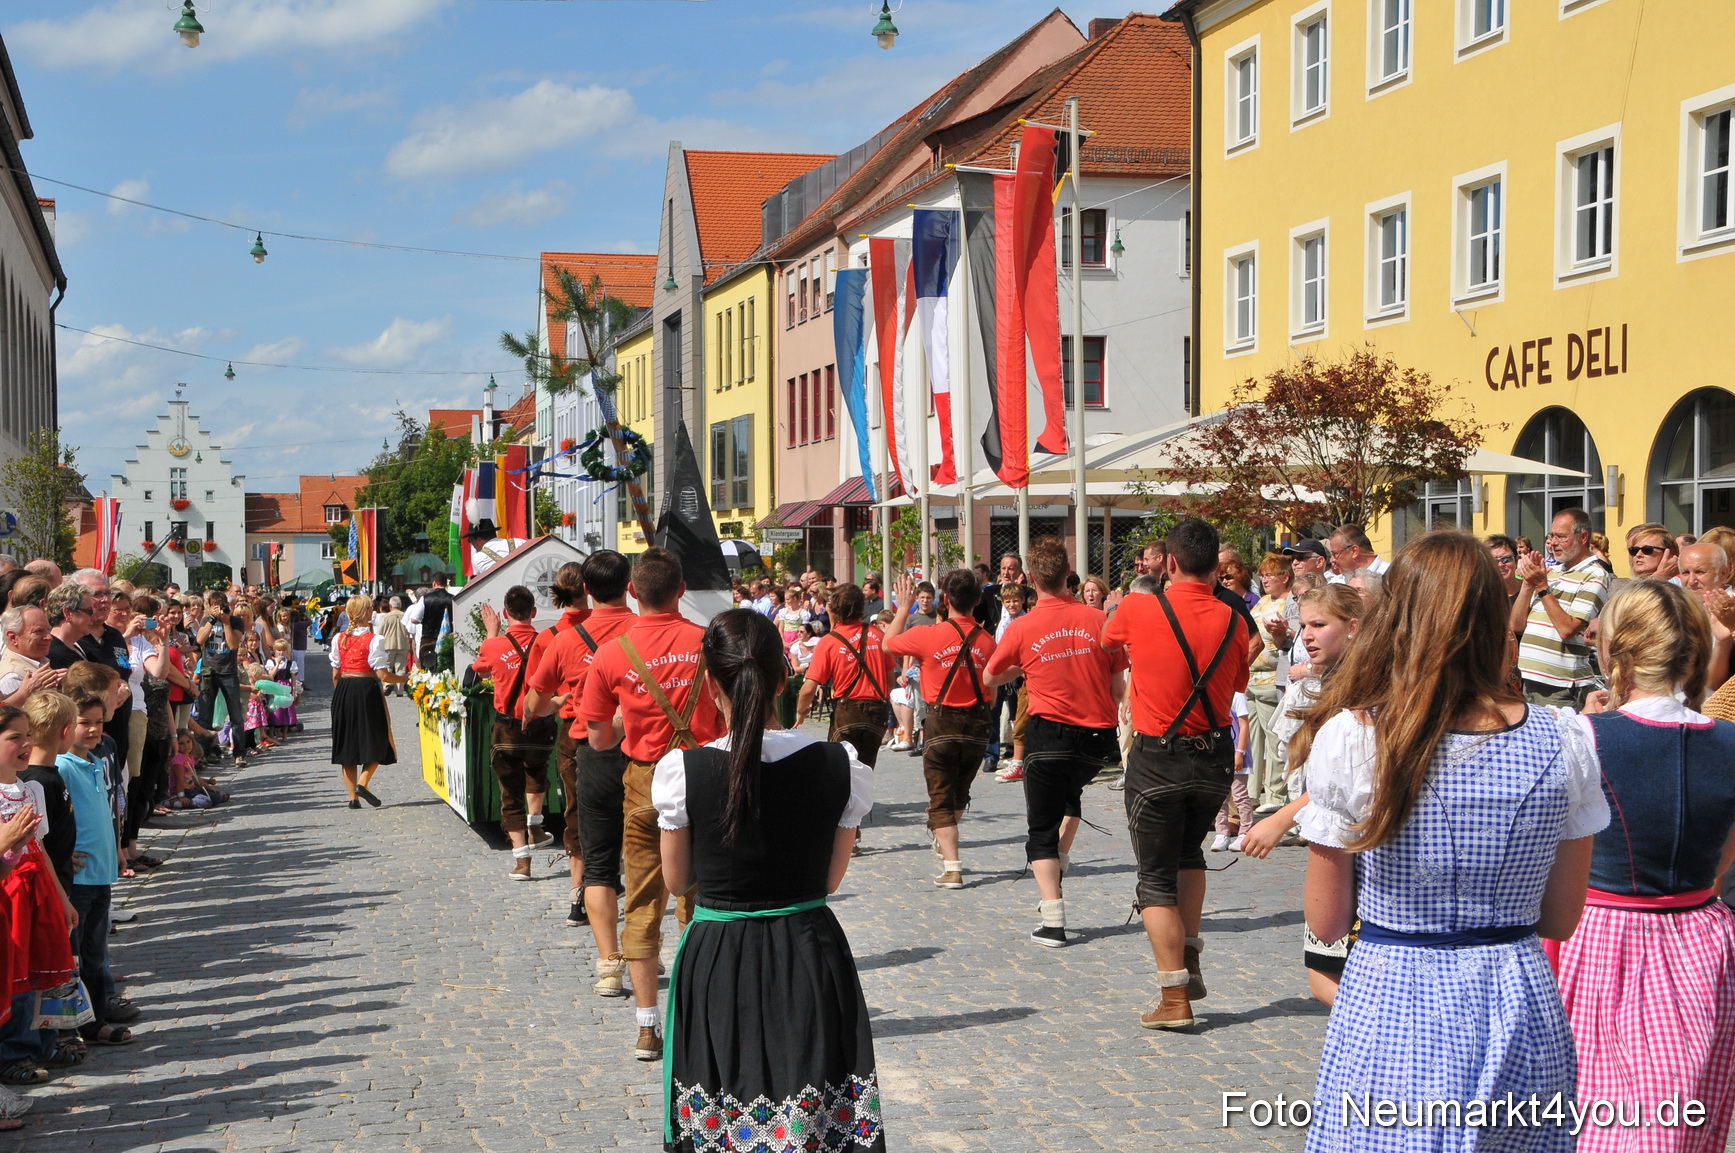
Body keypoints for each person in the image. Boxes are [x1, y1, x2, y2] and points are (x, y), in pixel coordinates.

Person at [1294, 530, 1608, 1152]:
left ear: (1395, 617)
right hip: (1515, 997)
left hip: (1393, 998)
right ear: (1497, 619)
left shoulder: (1355, 740)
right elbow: (1561, 916)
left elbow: (1327, 923)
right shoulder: (1565, 740)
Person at [655, 609, 882, 1152]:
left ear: (712, 686)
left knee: (721, 1101)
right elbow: (827, 880)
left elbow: (678, 878)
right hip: (806, 946)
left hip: (720, 952)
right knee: (810, 1105)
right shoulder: (838, 764)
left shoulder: (682, 771)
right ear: (785, 678)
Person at [1553, 581, 1735, 1152]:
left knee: (1595, 1121)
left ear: (1615, 651)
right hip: (1704, 942)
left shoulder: (1581, 735)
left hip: (1605, 939)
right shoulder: (1731, 741)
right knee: (1682, 1124)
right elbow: (1721, 864)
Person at [1101, 517, 1249, 1029]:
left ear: (1169, 562)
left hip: (1157, 754)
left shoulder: (1141, 606)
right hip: (1213, 754)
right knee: (1189, 853)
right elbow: (1239, 682)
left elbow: (1106, 638)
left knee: (1155, 877)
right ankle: (1188, 953)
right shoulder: (1237, 620)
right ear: (1216, 565)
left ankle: (1174, 997)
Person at [580, 547, 722, 1061]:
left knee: (642, 902)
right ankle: (703, 1014)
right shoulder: (709, 642)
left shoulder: (612, 653)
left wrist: (630, 722)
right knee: (703, 902)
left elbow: (596, 739)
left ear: (634, 592)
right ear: (682, 589)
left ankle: (646, 1026)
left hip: (646, 781)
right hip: (706, 776)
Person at [982, 537, 1126, 947]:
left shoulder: (1023, 624)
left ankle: (1053, 918)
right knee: (1070, 797)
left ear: (1028, 579)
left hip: (1048, 732)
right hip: (1096, 739)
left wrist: (1025, 669)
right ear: (1068, 574)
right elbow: (1117, 688)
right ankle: (1058, 864)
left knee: (1040, 826)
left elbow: (991, 676)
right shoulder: (1099, 621)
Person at [1241, 583, 1363, 1002]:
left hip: (1354, 844)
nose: (1306, 635)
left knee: (1329, 973)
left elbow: (1347, 781)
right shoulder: (1327, 680)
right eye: (1304, 625)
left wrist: (1280, 817)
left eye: (1318, 624)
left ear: (1353, 628)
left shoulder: (1363, 691)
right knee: (1324, 972)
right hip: (1329, 835)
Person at [528, 551, 639, 963]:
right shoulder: (644, 630)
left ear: (586, 590)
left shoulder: (565, 640)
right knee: (648, 845)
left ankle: (605, 952)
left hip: (586, 747)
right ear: (629, 586)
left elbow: (536, 704)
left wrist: (556, 700)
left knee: (593, 848)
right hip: (644, 745)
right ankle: (645, 941)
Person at [883, 571, 995, 891]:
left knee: (940, 796)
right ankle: (945, 841)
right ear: (977, 600)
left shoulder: (930, 634)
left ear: (945, 600)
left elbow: (888, 643)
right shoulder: (988, 641)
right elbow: (993, 690)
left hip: (942, 721)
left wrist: (903, 607)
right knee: (959, 792)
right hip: (977, 724)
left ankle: (952, 866)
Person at [522, 562, 596, 923]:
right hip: (621, 727)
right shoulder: (615, 625)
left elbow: (534, 702)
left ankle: (578, 892)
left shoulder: (549, 637)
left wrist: (558, 701)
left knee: (576, 809)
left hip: (575, 729)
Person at [473, 586, 558, 880]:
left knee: (509, 792)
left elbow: (481, 672)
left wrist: (492, 633)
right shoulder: (547, 642)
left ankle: (522, 861)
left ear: (505, 613)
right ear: (534, 613)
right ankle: (535, 824)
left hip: (507, 726)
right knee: (538, 771)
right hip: (541, 721)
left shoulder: (494, 645)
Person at [59, 693, 128, 1047]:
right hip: (80, 878)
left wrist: (116, 848)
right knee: (77, 954)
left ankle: (96, 1019)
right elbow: (57, 821)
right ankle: (72, 1025)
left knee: (96, 951)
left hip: (101, 872)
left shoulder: (95, 762)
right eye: (85, 722)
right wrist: (63, 852)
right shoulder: (63, 766)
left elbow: (106, 814)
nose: (93, 729)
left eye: (99, 722)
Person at [1510, 507, 1612, 709]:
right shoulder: (1552, 572)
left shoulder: (1595, 574)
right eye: (1551, 536)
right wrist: (1529, 585)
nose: (1553, 543)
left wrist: (1542, 587)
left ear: (1583, 537)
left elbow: (1568, 629)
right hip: (1529, 679)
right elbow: (1516, 625)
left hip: (1561, 685)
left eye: (1561, 537)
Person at [796, 583, 892, 769]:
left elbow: (809, 688)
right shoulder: (878, 635)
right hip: (877, 709)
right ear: (861, 606)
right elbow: (888, 681)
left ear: (834, 608)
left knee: (839, 767)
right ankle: (861, 798)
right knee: (866, 767)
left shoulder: (830, 641)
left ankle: (844, 798)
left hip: (848, 709)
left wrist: (801, 712)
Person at [328, 595, 400, 809]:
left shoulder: (339, 638)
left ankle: (353, 798)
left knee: (346, 744)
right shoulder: (374, 639)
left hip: (344, 690)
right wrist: (406, 678)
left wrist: (340, 695)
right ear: (367, 612)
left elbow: (335, 674)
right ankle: (363, 782)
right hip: (366, 689)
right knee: (378, 737)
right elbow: (383, 675)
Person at [1244, 554, 1291, 814]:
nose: (1265, 580)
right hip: (1252, 677)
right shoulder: (1262, 602)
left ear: (1285, 577)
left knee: (1274, 739)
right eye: (1263, 575)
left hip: (1273, 678)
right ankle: (1251, 793)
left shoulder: (1289, 603)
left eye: (1271, 575)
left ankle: (1275, 793)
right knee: (1251, 740)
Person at [192, 591, 247, 767]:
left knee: (236, 714)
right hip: (209, 671)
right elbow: (200, 640)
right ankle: (205, 753)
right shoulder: (205, 620)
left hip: (228, 671)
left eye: (221, 604)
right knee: (205, 714)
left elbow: (232, 645)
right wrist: (212, 620)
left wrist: (225, 622)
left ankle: (239, 753)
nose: (218, 607)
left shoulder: (236, 621)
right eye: (214, 604)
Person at [0, 606, 62, 708]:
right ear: (13, 637)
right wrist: (23, 694)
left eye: (48, 630)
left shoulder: (37, 662)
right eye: (38, 631)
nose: (49, 637)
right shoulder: (13, 677)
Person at [405, 574, 454, 673]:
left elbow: (414, 619)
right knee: (447, 668)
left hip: (428, 637)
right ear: (446, 584)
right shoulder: (453, 598)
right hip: (448, 638)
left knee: (427, 669)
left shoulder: (425, 598)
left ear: (434, 583)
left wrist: (425, 620)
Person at [374, 597, 411, 696]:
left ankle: (387, 684)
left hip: (388, 644)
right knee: (401, 667)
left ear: (390, 606)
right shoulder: (405, 615)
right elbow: (409, 630)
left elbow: (380, 632)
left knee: (388, 666)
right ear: (400, 606)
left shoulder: (386, 617)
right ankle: (400, 690)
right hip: (403, 644)